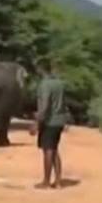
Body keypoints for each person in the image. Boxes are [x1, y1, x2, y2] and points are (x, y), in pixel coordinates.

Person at [31, 60, 69, 189]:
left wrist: (37, 122)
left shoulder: (45, 85)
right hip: (59, 121)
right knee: (54, 150)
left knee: (47, 150)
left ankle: (46, 181)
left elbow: (45, 105)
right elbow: (63, 103)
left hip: (49, 121)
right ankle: (58, 181)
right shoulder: (60, 83)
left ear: (40, 70)